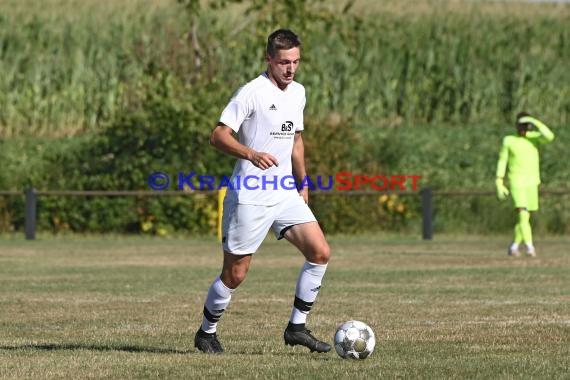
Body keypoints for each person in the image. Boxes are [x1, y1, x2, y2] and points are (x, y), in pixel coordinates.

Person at [194, 29, 331, 354]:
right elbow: (218, 136)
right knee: (235, 273)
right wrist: (250, 153)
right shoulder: (251, 93)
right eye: (284, 62)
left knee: (320, 252)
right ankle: (206, 332)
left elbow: (296, 141)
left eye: (295, 61)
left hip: (283, 192)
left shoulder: (298, 92)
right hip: (250, 194)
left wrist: (303, 182)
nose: (290, 68)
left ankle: (296, 327)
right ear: (269, 59)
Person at [495, 112, 555, 257]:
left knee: (525, 218)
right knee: (522, 214)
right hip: (516, 181)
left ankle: (514, 246)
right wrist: (499, 180)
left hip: (532, 182)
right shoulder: (509, 140)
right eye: (521, 125)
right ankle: (530, 247)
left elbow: (550, 136)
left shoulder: (534, 138)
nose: (523, 128)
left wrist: (535, 121)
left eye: (526, 125)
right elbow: (502, 160)